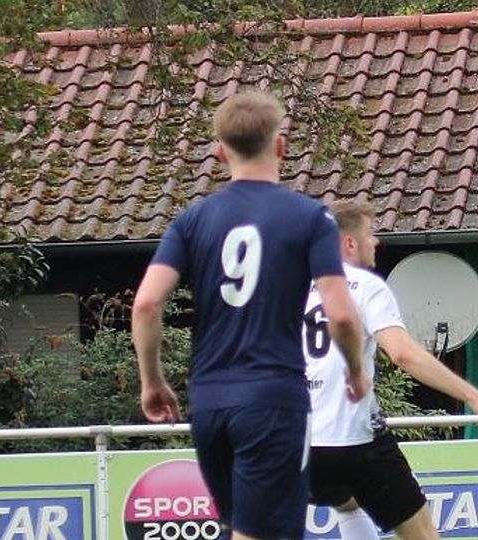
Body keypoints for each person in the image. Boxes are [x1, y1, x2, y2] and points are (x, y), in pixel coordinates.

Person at [131, 91, 368, 540]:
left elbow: (146, 303)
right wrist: (355, 369)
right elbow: (340, 315)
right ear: (280, 145)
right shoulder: (310, 218)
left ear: (220, 152)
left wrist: (152, 380)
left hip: (209, 400)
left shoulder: (191, 220)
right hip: (272, 399)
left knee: (241, 528)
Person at [305, 200, 478, 540]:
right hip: (355, 439)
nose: (376, 241)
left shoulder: (293, 288)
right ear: (349, 243)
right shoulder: (365, 286)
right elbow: (402, 353)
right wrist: (475, 397)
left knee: (346, 502)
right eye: (370, 234)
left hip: (299, 441)